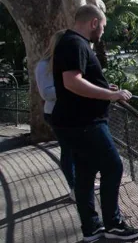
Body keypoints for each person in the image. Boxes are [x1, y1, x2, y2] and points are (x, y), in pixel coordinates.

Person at [52, 4, 138, 242]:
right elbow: (72, 82)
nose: (102, 32)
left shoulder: (72, 43)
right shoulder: (75, 44)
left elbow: (80, 81)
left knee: (85, 174)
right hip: (84, 123)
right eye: (101, 27)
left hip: (73, 122)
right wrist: (111, 95)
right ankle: (113, 224)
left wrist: (103, 87)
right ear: (93, 23)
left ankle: (91, 228)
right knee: (113, 166)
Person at [35, 29, 101, 201]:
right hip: (56, 113)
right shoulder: (43, 66)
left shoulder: (67, 62)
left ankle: (82, 183)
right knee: (68, 151)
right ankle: (74, 187)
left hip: (73, 113)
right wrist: (71, 87)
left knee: (80, 151)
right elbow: (45, 93)